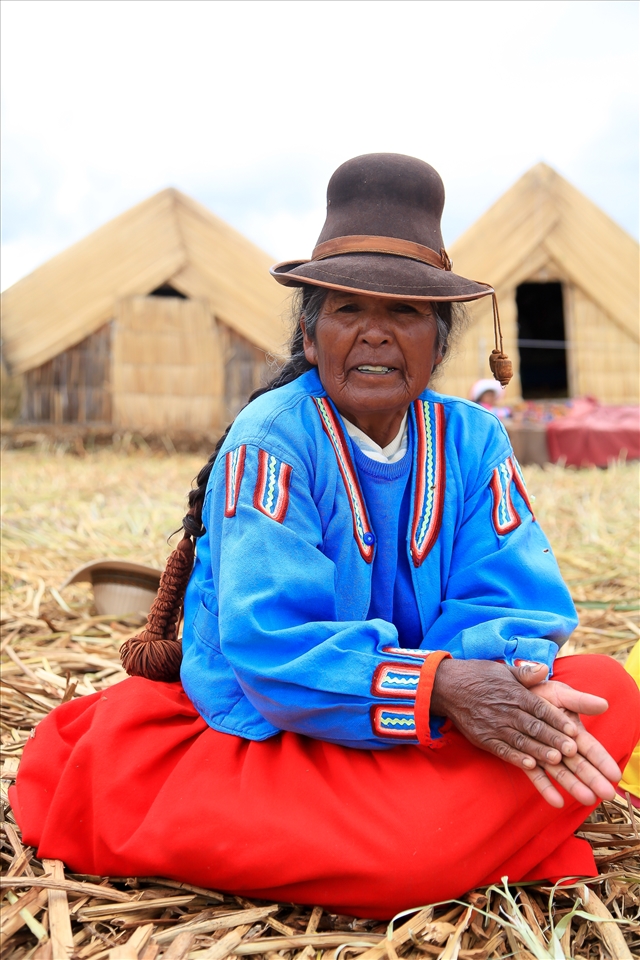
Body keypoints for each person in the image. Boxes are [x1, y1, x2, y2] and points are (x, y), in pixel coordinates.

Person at [11, 154, 639, 920]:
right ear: (311, 338)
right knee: (408, 856)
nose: (375, 333)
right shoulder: (273, 441)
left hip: (429, 730)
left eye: (404, 313)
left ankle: (450, 839)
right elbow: (275, 650)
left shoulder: (473, 440)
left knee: (607, 692)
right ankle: (462, 843)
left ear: (437, 345)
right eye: (347, 310)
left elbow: (511, 595)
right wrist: (435, 684)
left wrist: (501, 684)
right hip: (280, 739)